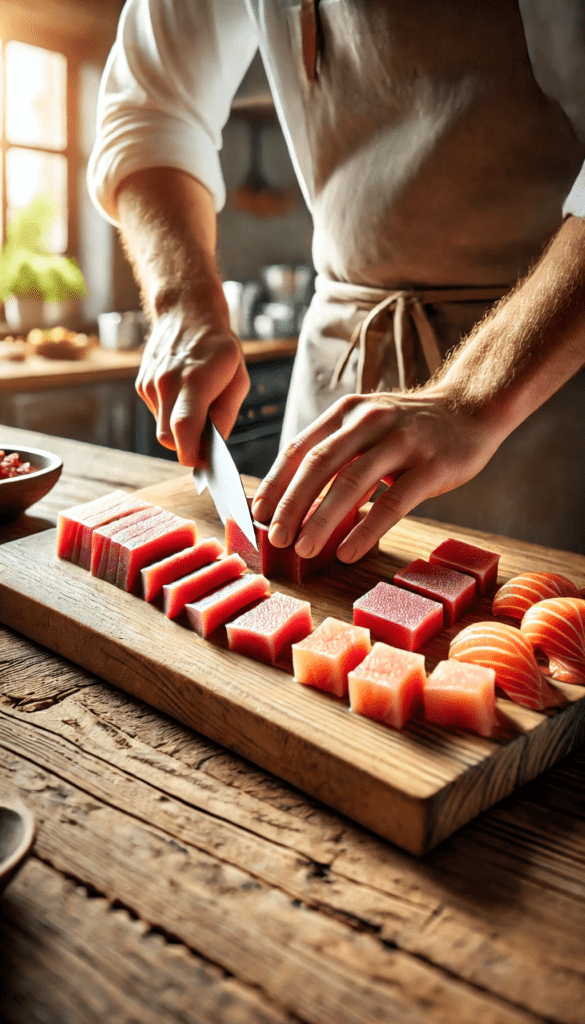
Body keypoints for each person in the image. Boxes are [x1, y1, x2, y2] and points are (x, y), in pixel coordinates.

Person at [88, 0, 585, 561]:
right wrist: (183, 306)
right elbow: (150, 109)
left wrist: (474, 395)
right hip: (339, 370)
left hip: (551, 368)